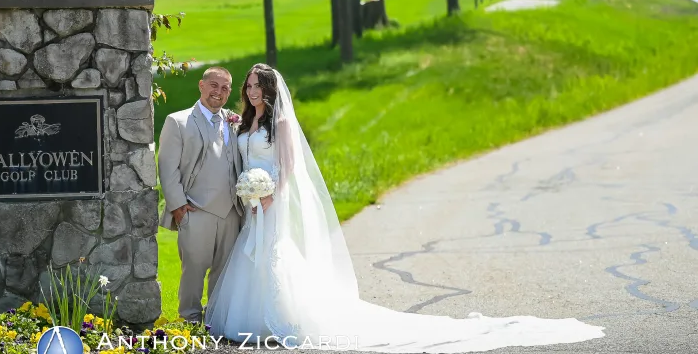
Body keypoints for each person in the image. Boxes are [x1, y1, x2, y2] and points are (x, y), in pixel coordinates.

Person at [204, 63, 605, 353]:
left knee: (274, 254)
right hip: (250, 202)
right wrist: (248, 186)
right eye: (249, 85)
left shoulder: (282, 124)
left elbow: (289, 168)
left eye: (258, 86)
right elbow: (242, 152)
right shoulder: (244, 124)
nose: (252, 90)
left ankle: (281, 318)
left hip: (272, 200)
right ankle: (249, 320)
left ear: (271, 90)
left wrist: (271, 193)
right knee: (253, 255)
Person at [157, 66, 246, 322]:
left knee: (224, 270)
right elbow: (167, 167)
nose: (219, 92)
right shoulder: (178, 121)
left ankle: (216, 319)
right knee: (194, 270)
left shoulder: (235, 121)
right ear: (201, 85)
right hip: (194, 210)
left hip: (232, 211)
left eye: (225, 88)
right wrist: (178, 207)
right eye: (214, 85)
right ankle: (190, 319)